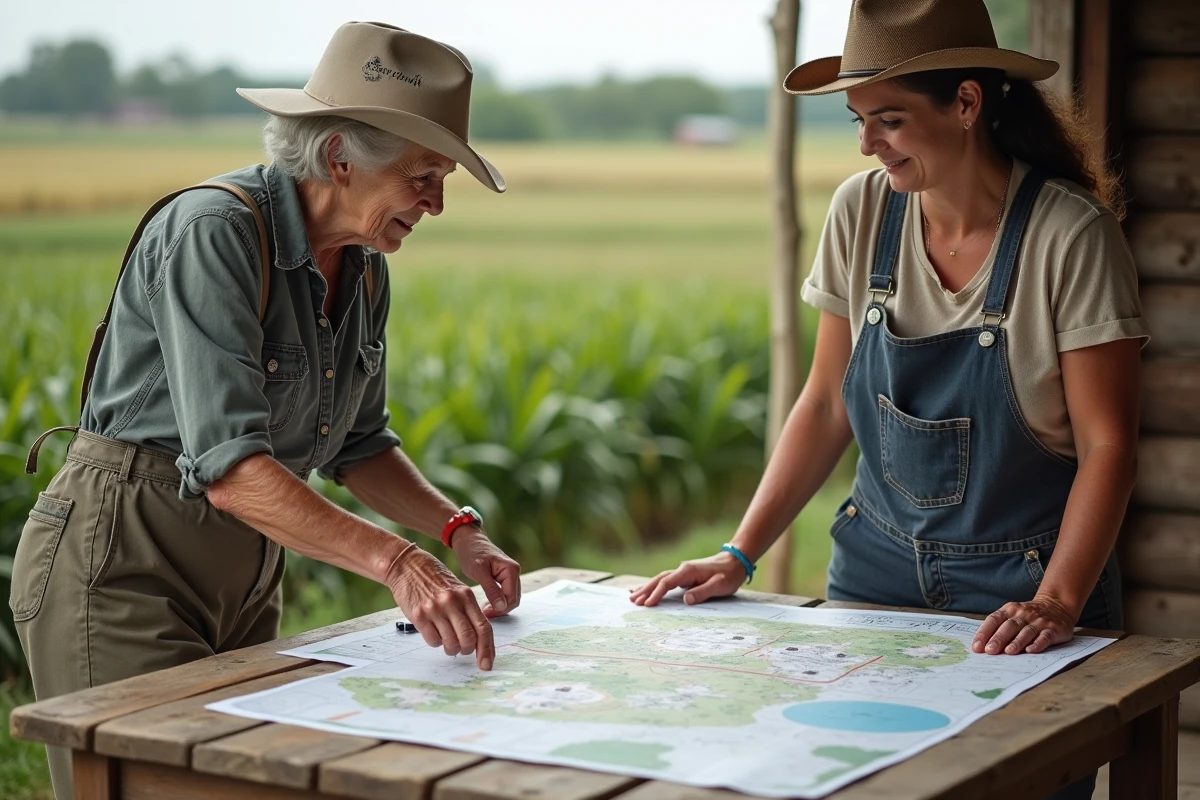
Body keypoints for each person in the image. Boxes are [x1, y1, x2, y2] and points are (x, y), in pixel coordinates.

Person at [632, 2, 1145, 796]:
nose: (868, 144)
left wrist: (1057, 601)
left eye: (892, 121)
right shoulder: (861, 210)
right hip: (873, 571)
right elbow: (826, 405)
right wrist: (740, 554)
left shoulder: (1069, 237)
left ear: (967, 104)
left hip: (1023, 587)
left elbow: (1109, 444)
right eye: (860, 121)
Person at [11, 22, 520, 798]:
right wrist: (398, 562)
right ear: (344, 156)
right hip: (121, 569)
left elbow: (359, 445)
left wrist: (457, 530)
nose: (438, 204)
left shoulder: (365, 268)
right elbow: (229, 469)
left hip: (246, 578)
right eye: (424, 176)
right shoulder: (213, 231)